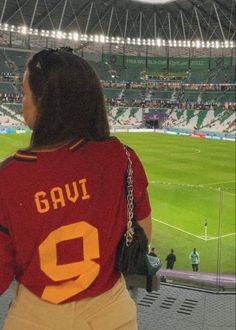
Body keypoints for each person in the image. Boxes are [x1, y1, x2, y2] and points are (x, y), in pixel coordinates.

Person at [0, 48, 152, 330]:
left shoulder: (10, 177)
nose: (22, 103)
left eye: (24, 93)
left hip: (37, 318)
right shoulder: (124, 158)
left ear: (47, 102)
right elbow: (143, 235)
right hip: (112, 314)